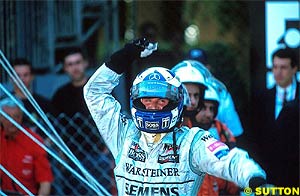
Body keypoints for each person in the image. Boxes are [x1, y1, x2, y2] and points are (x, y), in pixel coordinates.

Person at [83, 38, 269, 195]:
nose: (154, 107)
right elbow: (94, 92)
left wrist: (251, 175)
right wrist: (124, 56)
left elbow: (227, 159)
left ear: (176, 102)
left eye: (161, 101)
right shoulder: (122, 134)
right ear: (136, 101)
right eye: (147, 100)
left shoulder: (192, 141)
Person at [172, 62, 239, 195]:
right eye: (187, 94)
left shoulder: (196, 130)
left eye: (196, 96)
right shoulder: (166, 128)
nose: (191, 101)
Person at [252, 47, 299, 186]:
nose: (278, 72)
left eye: (283, 67)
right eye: (275, 67)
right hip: (271, 174)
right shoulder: (261, 98)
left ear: (294, 69)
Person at [0, 97, 53, 195]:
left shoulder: (33, 141)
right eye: (7, 117)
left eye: (16, 116)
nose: (12, 121)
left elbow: (45, 182)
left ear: (22, 117)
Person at [187, 48, 244, 137]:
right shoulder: (176, 91)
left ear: (208, 68)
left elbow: (234, 131)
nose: (196, 71)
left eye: (200, 67)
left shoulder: (221, 93)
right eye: (192, 67)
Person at [9, 58, 53, 133]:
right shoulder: (3, 103)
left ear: (32, 77)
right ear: (10, 78)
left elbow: (53, 130)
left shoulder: (43, 103)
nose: (22, 79)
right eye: (17, 75)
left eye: (26, 75)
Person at [52, 47, 90, 117]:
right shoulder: (60, 95)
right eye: (70, 64)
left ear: (85, 63)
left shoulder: (98, 88)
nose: (75, 68)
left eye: (78, 62)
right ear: (65, 68)